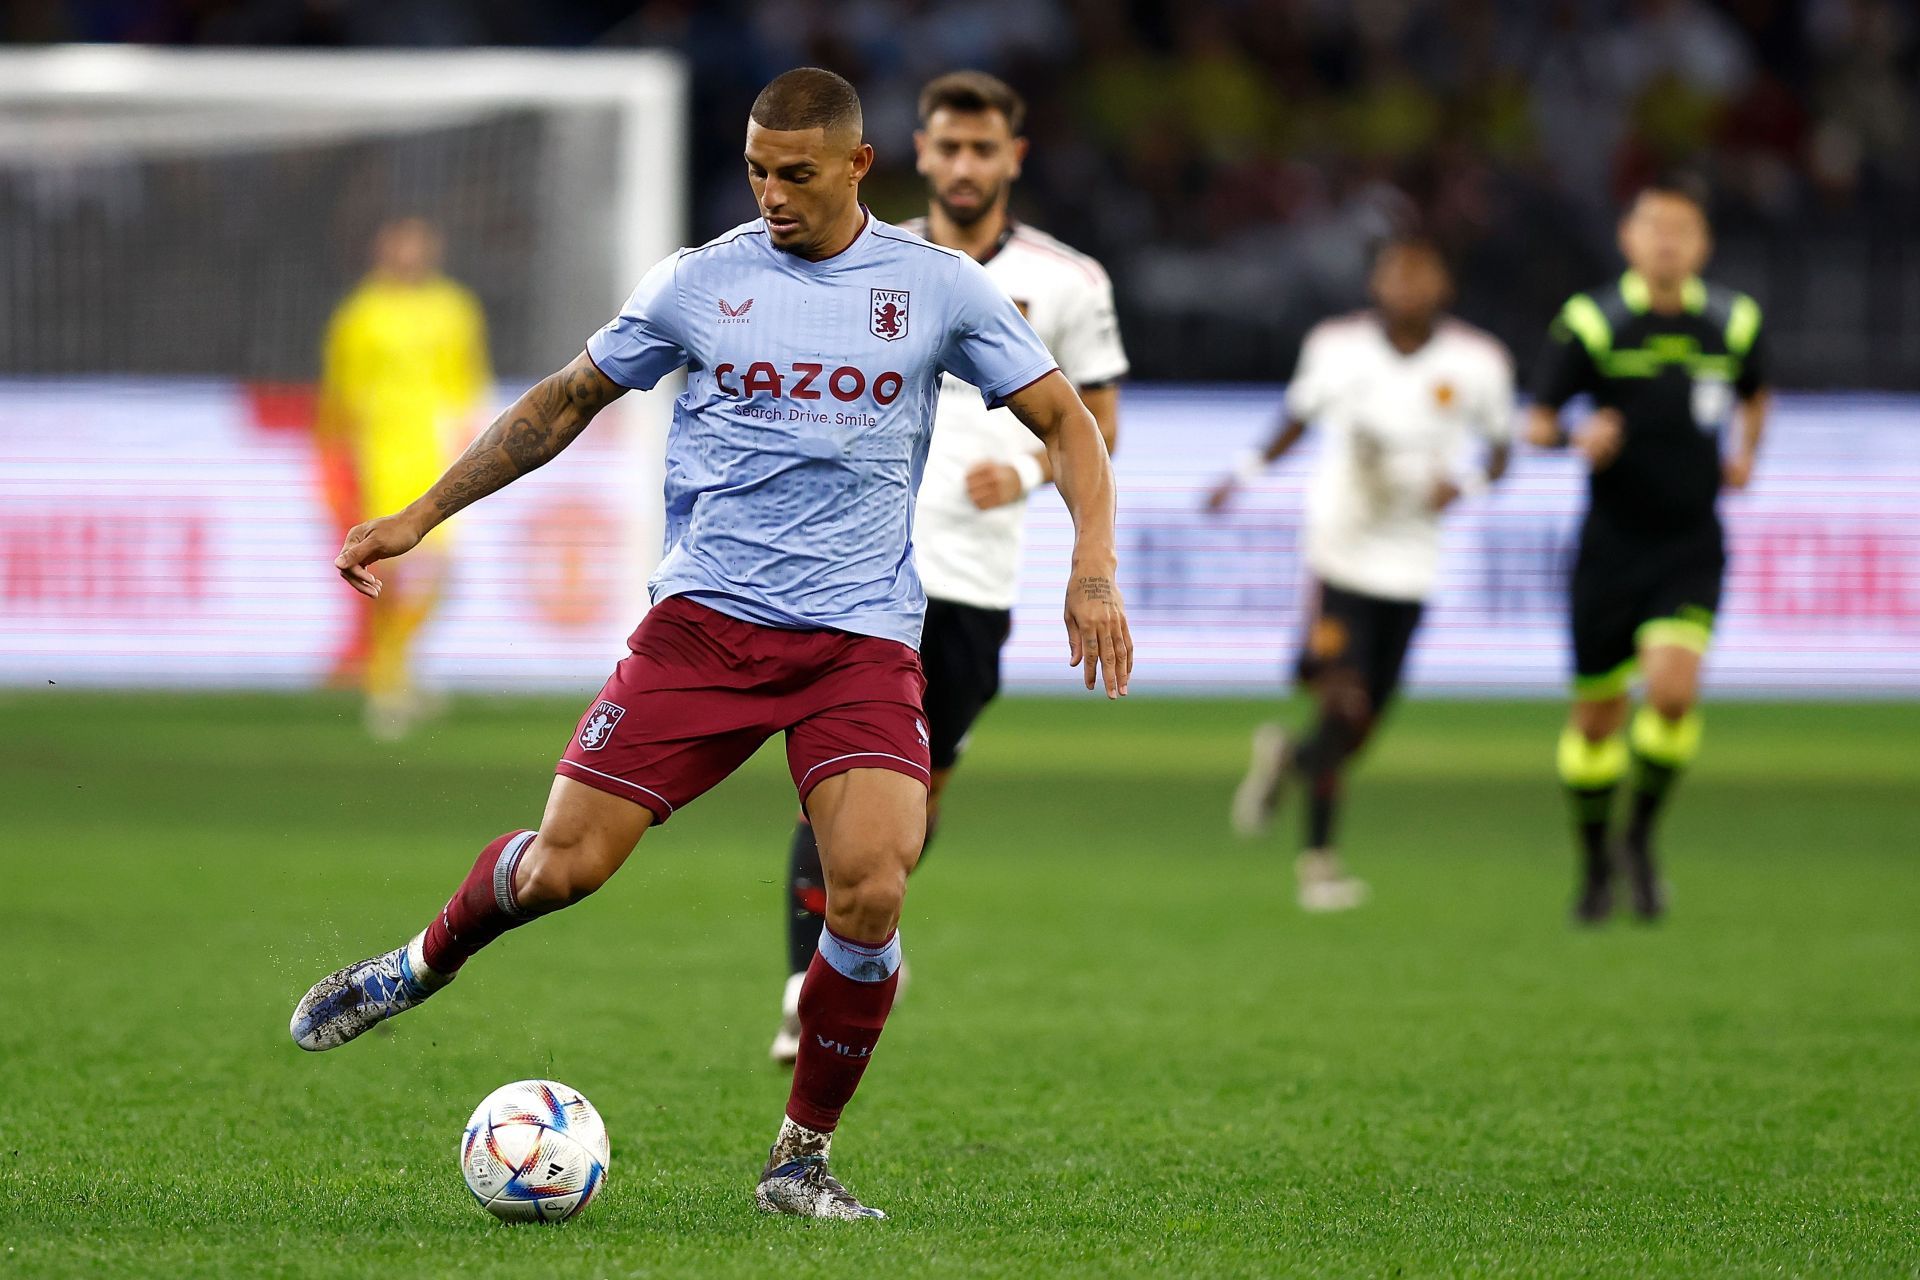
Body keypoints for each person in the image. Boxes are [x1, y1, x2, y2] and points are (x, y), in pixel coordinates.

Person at [288, 68, 1132, 1222]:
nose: (772, 194)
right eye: (755, 171)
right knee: (562, 869)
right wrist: (418, 515)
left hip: (860, 640)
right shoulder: (703, 282)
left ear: (855, 167)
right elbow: (562, 403)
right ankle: (414, 965)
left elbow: (1070, 423)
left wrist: (1091, 569)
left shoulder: (935, 289)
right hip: (701, 631)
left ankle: (799, 1159)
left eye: (795, 173)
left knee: (873, 888)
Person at [768, 69, 1127, 1065]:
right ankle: (809, 982)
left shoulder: (1069, 283)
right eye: (948, 147)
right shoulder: (858, 259)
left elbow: (1098, 427)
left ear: (1013, 158)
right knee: (835, 777)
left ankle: (868, 917)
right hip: (861, 569)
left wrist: (1020, 470)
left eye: (984, 149)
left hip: (974, 580)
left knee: (919, 787)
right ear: (917, 153)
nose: (965, 165)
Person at [1206, 235, 1512, 911]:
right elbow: (1297, 416)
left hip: (1412, 562)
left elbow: (1500, 450)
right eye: (1394, 273)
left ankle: (1288, 758)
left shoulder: (1478, 361)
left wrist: (1464, 485)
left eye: (1420, 273)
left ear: (1444, 286)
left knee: (1362, 726)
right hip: (1341, 552)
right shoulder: (1336, 347)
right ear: (1375, 283)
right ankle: (1318, 864)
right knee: (1341, 702)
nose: (1406, 285)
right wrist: (1243, 474)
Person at [1527, 179, 1768, 924]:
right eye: (1654, 225)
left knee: (1671, 693)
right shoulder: (1594, 322)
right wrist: (1576, 435)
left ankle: (1639, 839)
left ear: (1704, 245)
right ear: (1628, 240)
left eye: (1684, 228)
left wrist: (1746, 451)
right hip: (1611, 547)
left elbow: (1756, 395)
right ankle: (1595, 861)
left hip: (1690, 542)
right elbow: (1535, 421)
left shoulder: (1733, 321)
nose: (1668, 239)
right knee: (1597, 720)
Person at [316, 217, 490, 739]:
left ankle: (398, 669)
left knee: (445, 573)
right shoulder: (360, 314)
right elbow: (341, 395)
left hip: (440, 453)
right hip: (384, 454)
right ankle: (387, 682)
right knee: (392, 572)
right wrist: (340, 460)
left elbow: (468, 380)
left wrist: (471, 436)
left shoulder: (455, 308)